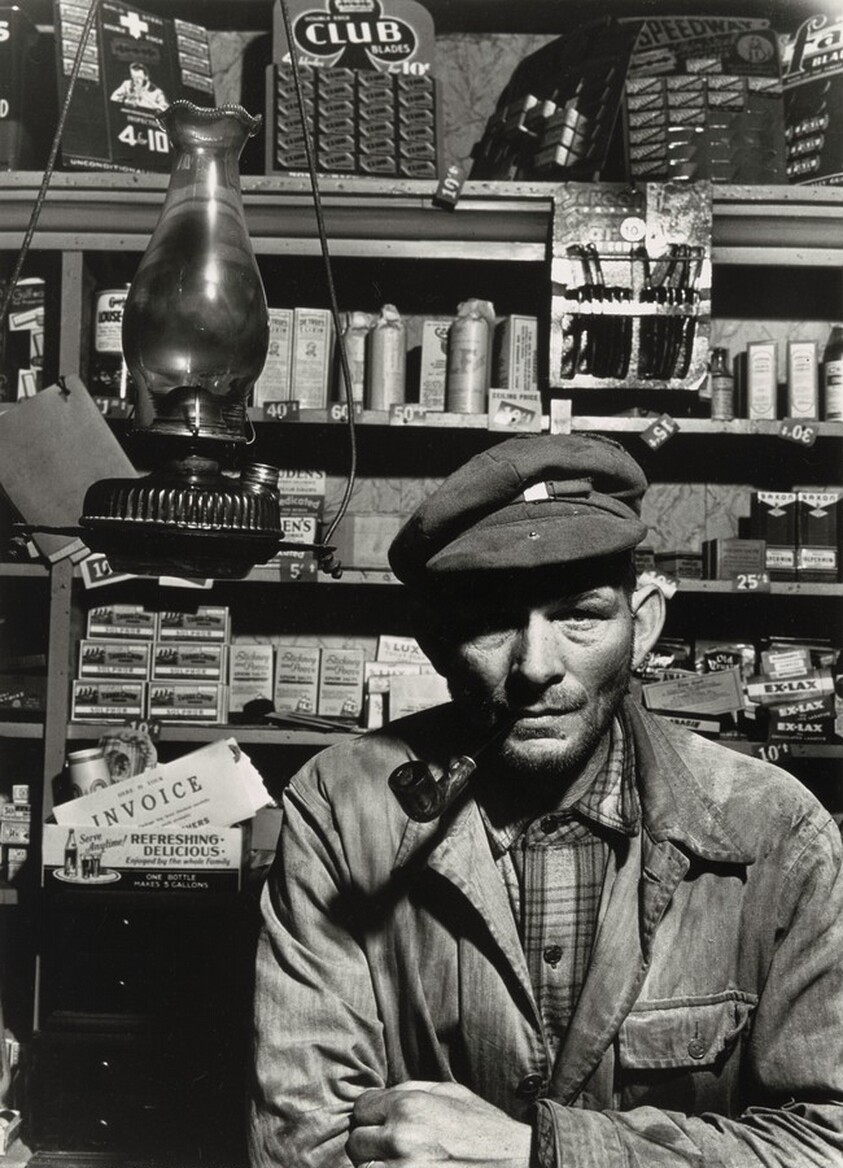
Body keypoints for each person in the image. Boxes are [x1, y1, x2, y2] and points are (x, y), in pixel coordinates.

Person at [250, 433, 843, 1167]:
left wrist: (539, 1154)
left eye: (580, 615)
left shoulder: (777, 830)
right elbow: (303, 1142)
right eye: (491, 621)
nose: (535, 666)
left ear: (644, 622)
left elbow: (823, 1145)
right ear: (434, 643)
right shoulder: (340, 809)